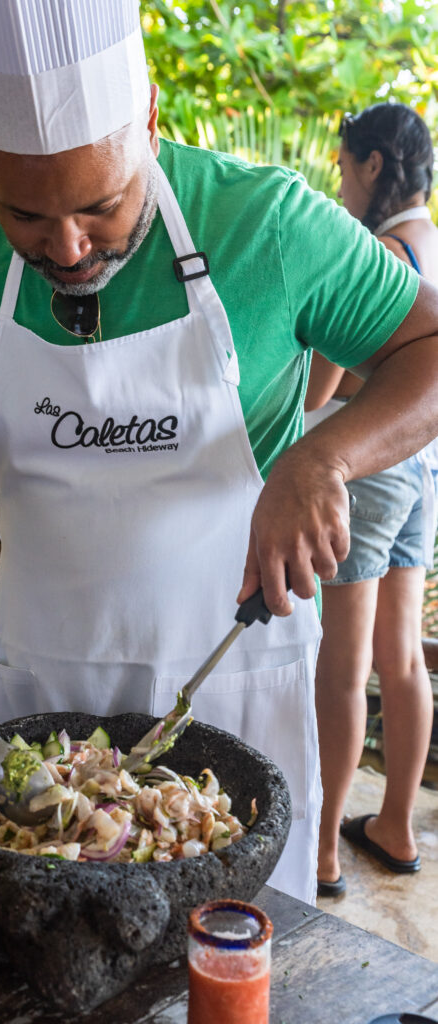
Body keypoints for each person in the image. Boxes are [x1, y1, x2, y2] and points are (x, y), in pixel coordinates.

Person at [0, 1, 438, 904]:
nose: (67, 247)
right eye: (26, 213)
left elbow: (428, 349)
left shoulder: (269, 224)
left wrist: (323, 459)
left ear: (146, 121)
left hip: (234, 675)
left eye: (101, 206)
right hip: (37, 702)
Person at [304, 103, 438, 897]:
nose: (342, 184)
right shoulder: (434, 240)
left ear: (374, 166)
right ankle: (395, 827)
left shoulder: (377, 251)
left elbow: (321, 383)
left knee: (341, 668)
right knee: (402, 655)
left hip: (372, 466)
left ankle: (320, 851)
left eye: (345, 166)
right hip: (424, 469)